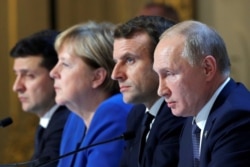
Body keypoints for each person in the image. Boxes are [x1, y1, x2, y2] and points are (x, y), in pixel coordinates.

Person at [153, 20, 250, 167]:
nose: (161, 90)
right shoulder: (193, 117)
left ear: (207, 69)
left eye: (169, 73)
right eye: (158, 75)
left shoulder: (237, 118)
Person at [49, 21, 133, 167]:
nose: (53, 73)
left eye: (65, 64)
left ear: (97, 77)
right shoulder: (75, 118)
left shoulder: (115, 112)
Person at [111, 16, 186, 167]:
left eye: (130, 60)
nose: (115, 74)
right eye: (116, 62)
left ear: (162, 61)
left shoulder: (178, 115)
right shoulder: (137, 114)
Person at [10, 30, 70, 166]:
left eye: (29, 76)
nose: (17, 87)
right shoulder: (50, 120)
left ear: (56, 75)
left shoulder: (63, 124)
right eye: (16, 75)